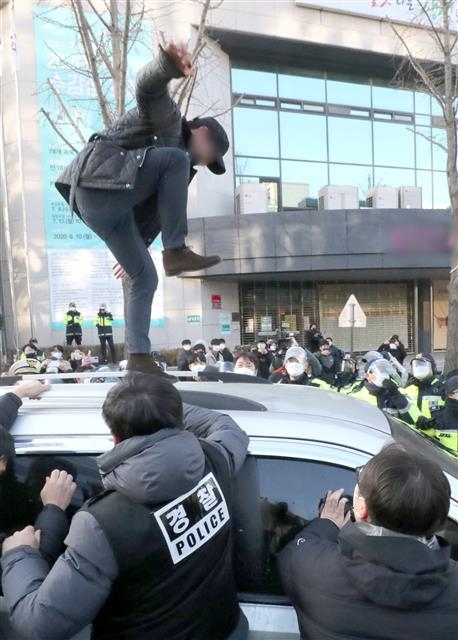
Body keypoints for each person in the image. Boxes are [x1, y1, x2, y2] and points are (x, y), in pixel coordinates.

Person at [1, 374, 249, 640]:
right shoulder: (215, 459)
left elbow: (40, 623)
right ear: (178, 421)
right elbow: (227, 426)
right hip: (225, 629)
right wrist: (159, 411)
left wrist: (19, 554)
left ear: (115, 437)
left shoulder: (100, 523)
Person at [55, 43, 227, 376]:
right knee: (176, 160)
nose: (203, 164)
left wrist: (137, 248)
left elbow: (153, 213)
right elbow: (147, 87)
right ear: (202, 133)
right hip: (98, 180)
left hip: (107, 210)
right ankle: (176, 250)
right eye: (209, 156)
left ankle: (138, 359)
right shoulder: (171, 124)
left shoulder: (176, 171)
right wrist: (167, 65)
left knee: (145, 276)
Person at [278, 443, 458, 640]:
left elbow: (290, 555)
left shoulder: (311, 566)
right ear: (440, 521)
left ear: (362, 510)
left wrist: (327, 524)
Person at [346, 358, 424, 426]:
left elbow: (415, 419)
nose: (383, 374)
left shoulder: (397, 391)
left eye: (384, 370)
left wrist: (396, 396)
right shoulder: (357, 396)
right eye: (378, 371)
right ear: (367, 376)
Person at [423, 375, 458, 453]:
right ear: (449, 394)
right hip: (446, 463)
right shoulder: (438, 416)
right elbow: (424, 440)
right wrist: (423, 425)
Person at [405, 353, 445, 417]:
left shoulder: (442, 387)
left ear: (432, 367)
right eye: (416, 365)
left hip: (435, 426)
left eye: (422, 364)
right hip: (410, 427)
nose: (419, 368)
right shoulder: (408, 388)